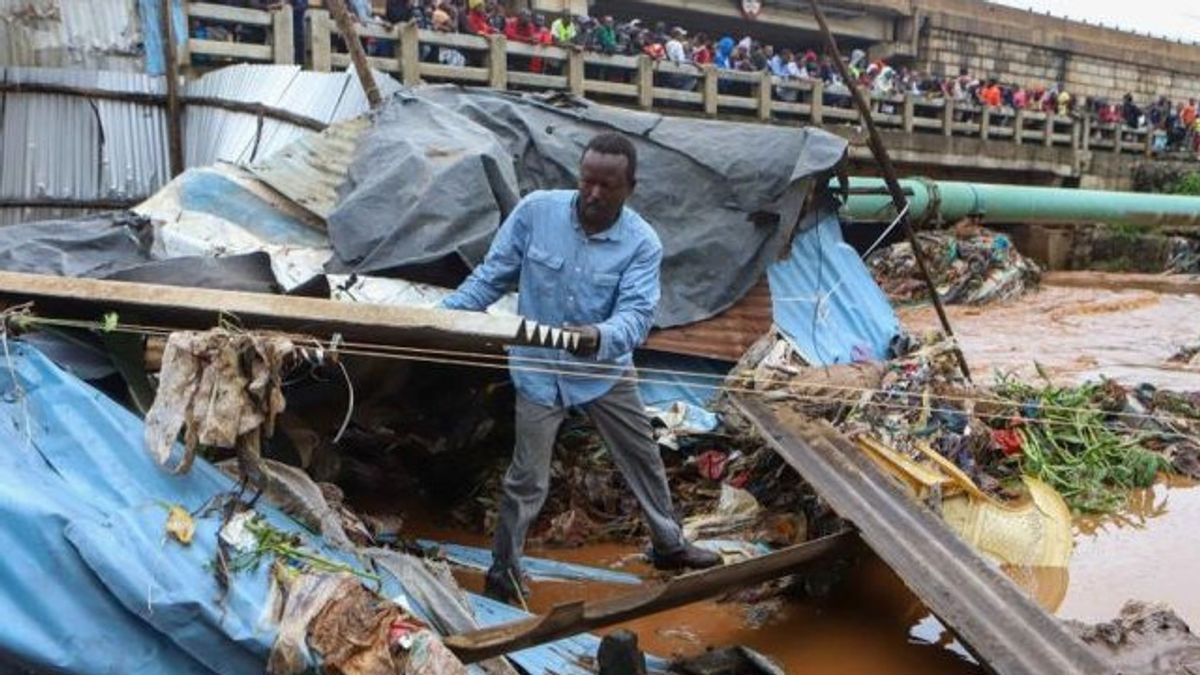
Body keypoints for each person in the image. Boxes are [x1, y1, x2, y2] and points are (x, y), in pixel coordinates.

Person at [441, 133, 723, 604]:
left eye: (606, 186)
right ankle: (503, 573)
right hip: (537, 370)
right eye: (587, 181)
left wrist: (600, 335)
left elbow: (636, 316)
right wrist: (445, 318)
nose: (593, 194)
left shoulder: (642, 244)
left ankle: (669, 545)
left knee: (643, 458)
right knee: (526, 479)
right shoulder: (536, 212)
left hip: (604, 372)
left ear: (630, 187)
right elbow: (492, 275)